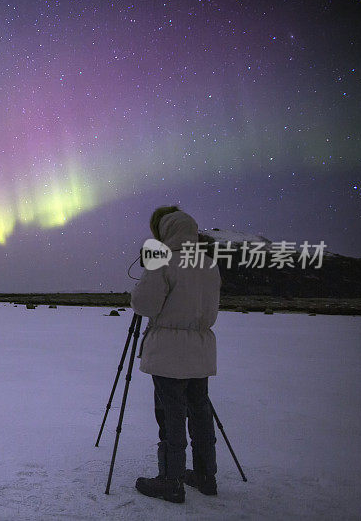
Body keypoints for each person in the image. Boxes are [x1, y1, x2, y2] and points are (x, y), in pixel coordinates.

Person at [130, 206, 221, 503]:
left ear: (164, 231)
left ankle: (171, 479)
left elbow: (144, 304)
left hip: (169, 352)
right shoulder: (208, 263)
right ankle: (206, 475)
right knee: (199, 410)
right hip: (200, 350)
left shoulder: (163, 261)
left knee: (170, 414)